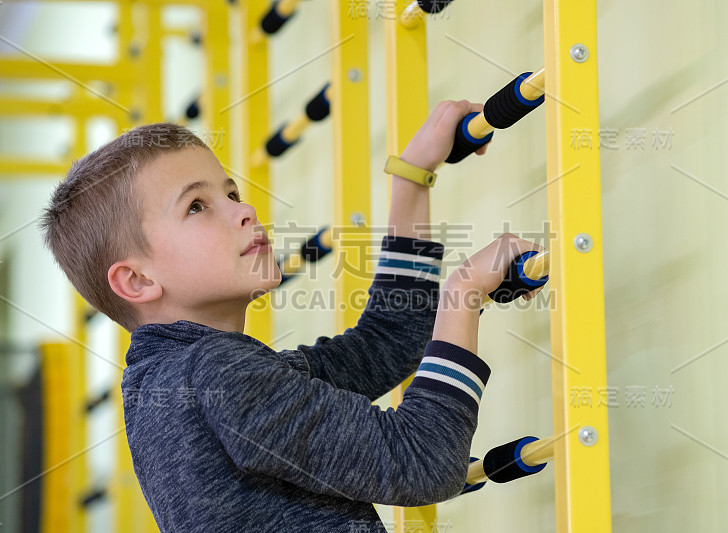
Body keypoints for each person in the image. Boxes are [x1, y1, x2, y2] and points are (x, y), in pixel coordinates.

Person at [40, 100, 542, 532]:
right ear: (138, 281)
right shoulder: (216, 373)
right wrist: (464, 292)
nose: (245, 211)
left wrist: (411, 176)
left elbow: (386, 344)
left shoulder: (172, 381)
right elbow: (423, 461)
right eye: (196, 206)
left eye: (231, 193)